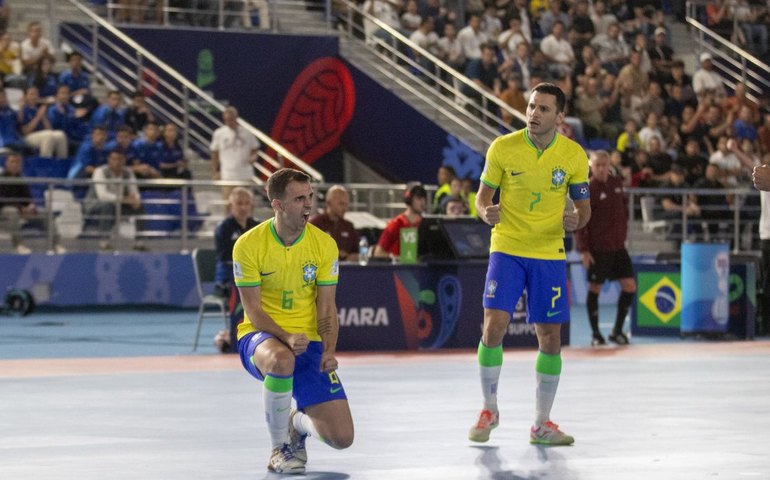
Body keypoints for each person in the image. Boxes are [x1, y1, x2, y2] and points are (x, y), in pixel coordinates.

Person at [468, 83, 590, 446]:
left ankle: (541, 424)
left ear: (560, 117)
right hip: (507, 247)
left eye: (544, 109)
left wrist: (577, 220)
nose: (534, 114)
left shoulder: (573, 155)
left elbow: (584, 208)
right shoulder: (503, 148)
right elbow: (481, 198)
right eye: (532, 106)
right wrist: (485, 213)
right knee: (494, 326)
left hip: (549, 253)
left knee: (549, 337)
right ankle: (489, 408)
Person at [232, 168, 354, 474]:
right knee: (281, 360)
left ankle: (295, 424)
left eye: (310, 196)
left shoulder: (324, 245)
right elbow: (254, 310)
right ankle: (279, 448)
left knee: (342, 438)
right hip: (260, 337)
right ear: (278, 204)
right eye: (299, 198)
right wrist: (285, 335)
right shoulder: (248, 245)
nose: (308, 204)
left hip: (308, 342)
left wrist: (328, 351)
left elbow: (326, 306)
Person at [574, 150, 635, 346]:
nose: (601, 168)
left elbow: (623, 210)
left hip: (618, 248)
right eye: (597, 164)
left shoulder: (617, 184)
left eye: (604, 164)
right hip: (597, 249)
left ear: (609, 165)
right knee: (595, 288)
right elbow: (580, 221)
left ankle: (617, 331)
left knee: (630, 286)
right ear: (591, 166)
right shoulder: (587, 189)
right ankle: (596, 335)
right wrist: (584, 250)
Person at [0, 151, 65, 254]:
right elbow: (2, 200)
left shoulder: (20, 179)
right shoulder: (1, 179)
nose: (15, 164)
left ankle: (55, 244)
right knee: (12, 212)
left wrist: (31, 205)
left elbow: (28, 197)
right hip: (4, 210)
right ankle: (19, 245)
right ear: (6, 163)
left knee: (44, 213)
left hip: (21, 209)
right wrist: (20, 208)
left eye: (17, 162)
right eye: (12, 162)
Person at [84, 150, 145, 251]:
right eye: (114, 159)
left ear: (124, 161)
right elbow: (102, 196)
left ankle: (139, 242)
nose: (117, 162)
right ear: (109, 160)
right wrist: (123, 199)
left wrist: (135, 200)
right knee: (107, 206)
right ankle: (104, 242)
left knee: (140, 206)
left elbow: (134, 191)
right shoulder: (100, 171)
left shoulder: (128, 172)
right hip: (95, 204)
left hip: (119, 203)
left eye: (120, 160)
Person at [210, 106, 259, 202]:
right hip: (227, 175)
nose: (229, 122)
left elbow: (255, 148)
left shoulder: (247, 133)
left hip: (245, 174)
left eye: (231, 119)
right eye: (226, 120)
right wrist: (214, 171)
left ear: (236, 118)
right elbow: (214, 154)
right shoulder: (219, 133)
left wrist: (253, 157)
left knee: (247, 202)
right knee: (228, 203)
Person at [372, 183, 427, 258]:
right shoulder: (396, 224)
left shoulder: (425, 224)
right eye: (419, 198)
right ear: (409, 199)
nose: (423, 202)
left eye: (424, 198)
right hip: (400, 269)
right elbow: (378, 253)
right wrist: (400, 259)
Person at [310, 185, 360, 262]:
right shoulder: (315, 224)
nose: (345, 208)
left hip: (347, 271)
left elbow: (358, 252)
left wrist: (353, 257)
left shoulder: (349, 226)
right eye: (341, 204)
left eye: (346, 204)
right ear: (328, 203)